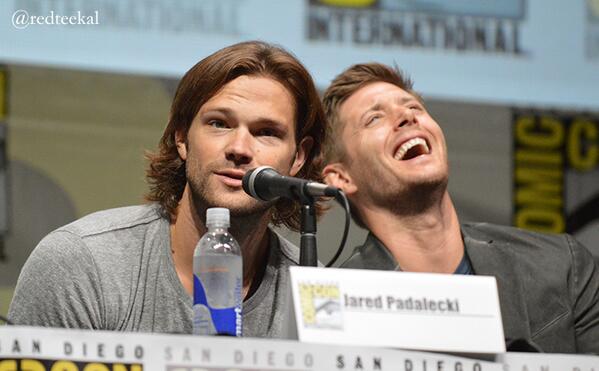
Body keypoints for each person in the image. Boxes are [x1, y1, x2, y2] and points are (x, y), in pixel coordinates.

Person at [8, 41, 326, 337]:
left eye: (266, 131)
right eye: (219, 123)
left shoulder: (319, 293)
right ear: (182, 138)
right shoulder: (82, 264)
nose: (239, 148)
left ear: (298, 156)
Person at [321, 62, 599, 353]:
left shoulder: (561, 266)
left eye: (414, 108)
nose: (406, 117)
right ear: (341, 178)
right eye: (374, 118)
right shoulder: (336, 310)